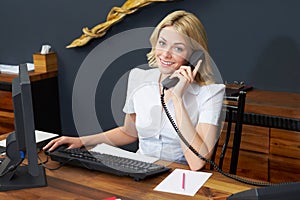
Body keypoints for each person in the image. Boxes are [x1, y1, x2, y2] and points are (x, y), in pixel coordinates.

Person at [43, 10, 225, 171]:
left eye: (178, 48)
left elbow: (197, 163)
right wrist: (82, 141)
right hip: (141, 171)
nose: (165, 54)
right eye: (162, 43)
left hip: (179, 178)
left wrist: (177, 99)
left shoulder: (210, 93)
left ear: (195, 55)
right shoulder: (139, 78)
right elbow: (128, 132)